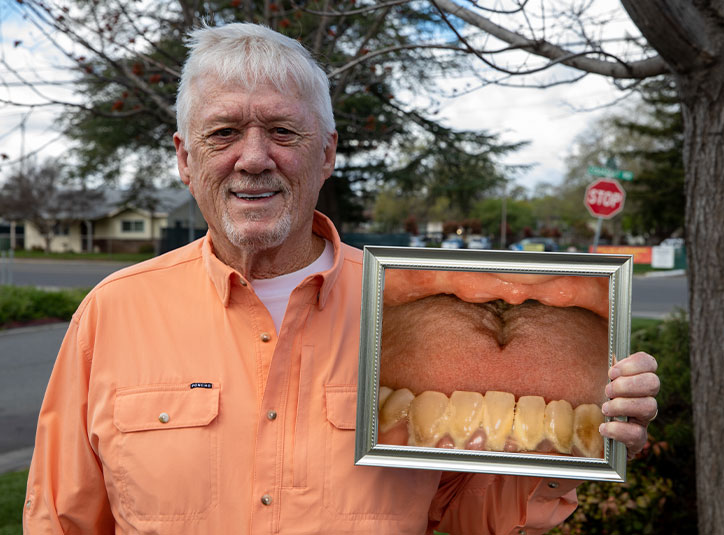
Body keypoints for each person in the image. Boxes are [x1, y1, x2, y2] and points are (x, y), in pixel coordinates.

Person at [23, 23, 659, 535]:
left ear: (326, 152)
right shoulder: (112, 313)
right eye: (222, 133)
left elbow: (463, 520)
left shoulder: (417, 308)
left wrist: (575, 440)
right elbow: (61, 518)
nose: (252, 157)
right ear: (185, 160)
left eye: (281, 131)